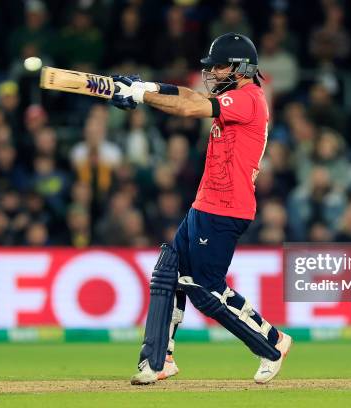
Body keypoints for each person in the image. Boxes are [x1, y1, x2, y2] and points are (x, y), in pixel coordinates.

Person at [111, 33, 291, 385]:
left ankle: (272, 342)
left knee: (205, 290)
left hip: (228, 207)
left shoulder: (249, 98)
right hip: (205, 202)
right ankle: (159, 360)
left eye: (219, 66)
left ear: (240, 68)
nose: (212, 72)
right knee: (168, 271)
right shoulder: (231, 96)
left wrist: (141, 95)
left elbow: (191, 106)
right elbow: (188, 96)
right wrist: (144, 87)